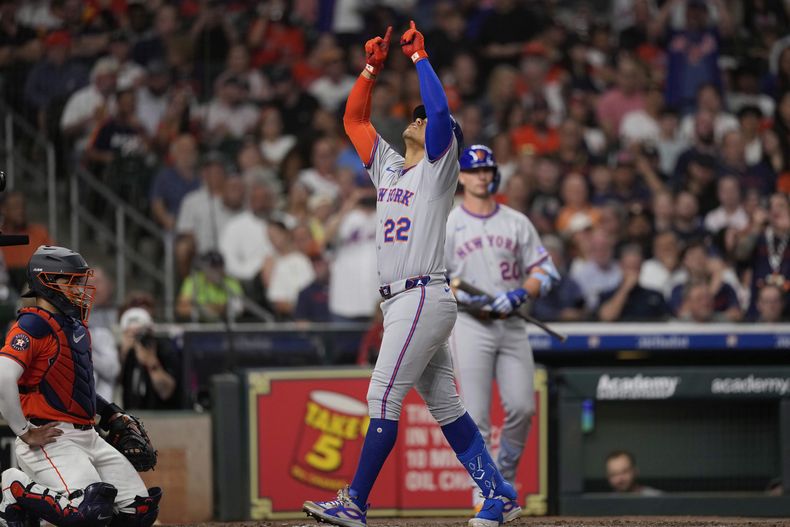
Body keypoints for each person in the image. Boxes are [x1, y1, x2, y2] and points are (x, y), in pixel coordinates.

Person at [303, 23, 520, 527]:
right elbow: (354, 118)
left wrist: (421, 58)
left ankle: (355, 502)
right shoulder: (390, 167)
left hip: (420, 294)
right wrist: (371, 68)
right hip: (406, 301)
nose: (420, 119)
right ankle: (497, 493)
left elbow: (441, 111)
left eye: (425, 119)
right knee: (444, 404)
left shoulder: (439, 168)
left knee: (382, 396)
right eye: (416, 116)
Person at [0, 245, 161, 526]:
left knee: (138, 513)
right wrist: (24, 432)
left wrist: (110, 412)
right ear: (46, 282)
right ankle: (14, 489)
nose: (79, 288)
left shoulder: (74, 325)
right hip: (50, 437)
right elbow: (3, 376)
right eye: (71, 281)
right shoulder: (32, 324)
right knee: (88, 515)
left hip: (89, 435)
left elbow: (74, 387)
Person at [445, 144, 560, 510]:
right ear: (461, 176)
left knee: (523, 407)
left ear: (494, 174)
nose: (481, 176)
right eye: (474, 170)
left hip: (510, 323)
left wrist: (519, 294)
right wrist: (469, 299)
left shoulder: (515, 221)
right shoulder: (449, 222)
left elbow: (546, 269)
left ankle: (502, 478)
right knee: (476, 416)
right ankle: (484, 494)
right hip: (469, 323)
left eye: (487, 170)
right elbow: (434, 277)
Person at [118, 307, 179, 409]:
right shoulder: (126, 355)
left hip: (160, 416)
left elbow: (166, 393)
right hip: (132, 417)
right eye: (131, 334)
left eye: (140, 333)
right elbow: (113, 387)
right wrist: (123, 355)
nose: (137, 339)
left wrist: (152, 364)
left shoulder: (164, 350)